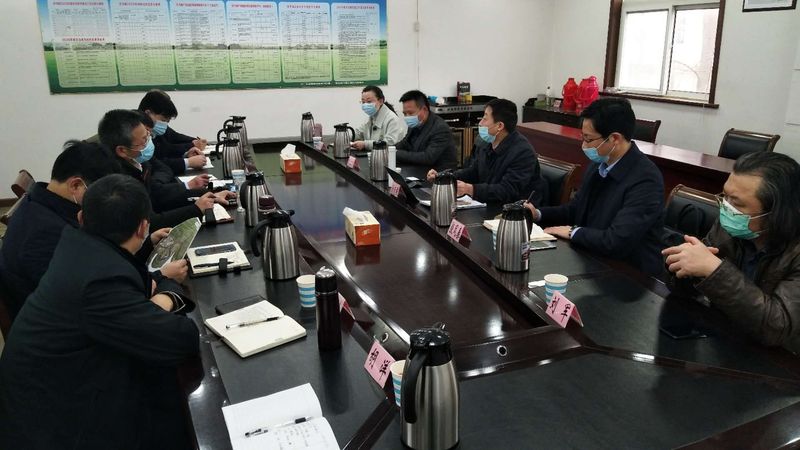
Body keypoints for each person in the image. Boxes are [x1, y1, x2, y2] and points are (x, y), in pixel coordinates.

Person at [0, 174, 199, 450]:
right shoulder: (100, 281)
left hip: (55, 393)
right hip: (60, 426)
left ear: (81, 217)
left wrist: (156, 292)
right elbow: (181, 338)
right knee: (176, 399)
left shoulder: (77, 247)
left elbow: (137, 294)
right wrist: (167, 294)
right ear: (143, 227)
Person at [663, 152, 800, 352]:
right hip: (725, 340)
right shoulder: (730, 225)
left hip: (780, 360)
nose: (726, 208)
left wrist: (714, 271)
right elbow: (684, 291)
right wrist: (681, 266)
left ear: (777, 213)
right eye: (725, 196)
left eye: (737, 203)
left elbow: (777, 328)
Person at [523, 97, 665, 276]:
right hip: (590, 258)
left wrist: (573, 232)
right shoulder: (599, 165)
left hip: (628, 273)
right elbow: (576, 209)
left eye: (588, 139)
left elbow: (616, 241)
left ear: (614, 139)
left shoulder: (646, 180)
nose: (583, 145)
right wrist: (538, 214)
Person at [0, 141, 118, 318]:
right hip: (57, 324)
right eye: (101, 194)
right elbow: (89, 298)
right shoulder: (48, 235)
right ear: (75, 185)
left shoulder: (39, 201)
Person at [98, 109, 233, 229]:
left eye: (149, 135)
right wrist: (196, 209)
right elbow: (151, 223)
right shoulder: (118, 183)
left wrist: (209, 195)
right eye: (144, 140)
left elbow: (158, 195)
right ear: (122, 150)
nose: (149, 142)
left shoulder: (137, 161)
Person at [426, 98, 547, 205]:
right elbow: (473, 172)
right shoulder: (486, 142)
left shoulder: (523, 152)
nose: (480, 123)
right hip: (488, 204)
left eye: (484, 119)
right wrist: (445, 177)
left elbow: (507, 191)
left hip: (514, 212)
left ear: (499, 126)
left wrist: (471, 189)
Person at [138, 89, 208, 174]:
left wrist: (189, 150)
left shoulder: (155, 129)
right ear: (148, 113)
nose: (165, 124)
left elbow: (174, 139)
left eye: (167, 121)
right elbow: (156, 163)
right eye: (163, 120)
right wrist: (188, 162)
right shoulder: (137, 134)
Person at [395, 90, 458, 170]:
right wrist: (389, 150)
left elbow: (428, 157)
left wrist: (396, 153)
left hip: (438, 174)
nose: (407, 117)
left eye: (410, 113)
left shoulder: (440, 128)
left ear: (424, 109)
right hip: (418, 169)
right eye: (405, 114)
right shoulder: (415, 123)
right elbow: (405, 143)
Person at [351, 85, 407, 150]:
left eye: (369, 101)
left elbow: (390, 142)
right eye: (363, 102)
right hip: (374, 154)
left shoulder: (392, 119)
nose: (365, 105)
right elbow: (358, 133)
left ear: (380, 101)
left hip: (390, 155)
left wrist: (365, 144)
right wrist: (344, 137)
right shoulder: (370, 118)